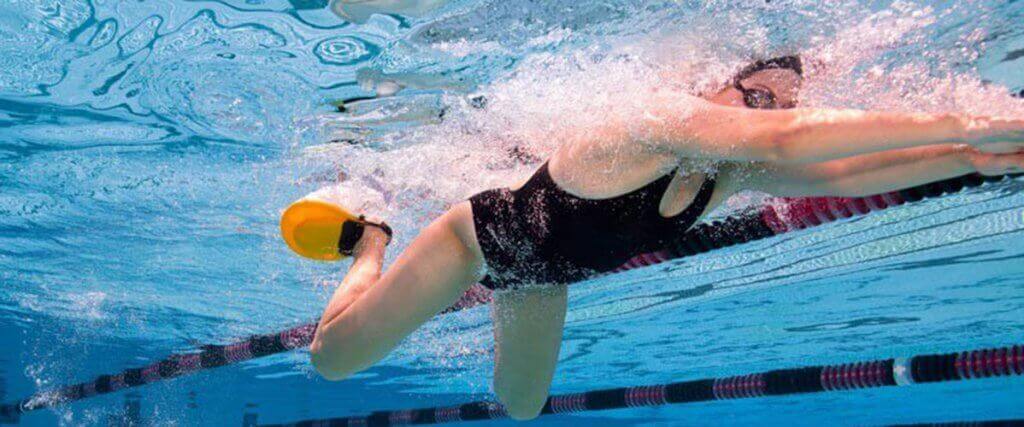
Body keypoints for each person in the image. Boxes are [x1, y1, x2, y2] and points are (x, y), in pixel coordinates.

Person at [287, 56, 1024, 420]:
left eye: (778, 103)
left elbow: (836, 173)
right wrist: (967, 125)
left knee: (518, 404)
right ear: (716, 84)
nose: (763, 114)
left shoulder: (725, 174)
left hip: (541, 275)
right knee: (331, 361)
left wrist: (968, 159)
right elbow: (796, 138)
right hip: (477, 242)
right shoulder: (644, 121)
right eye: (755, 95)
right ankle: (375, 235)